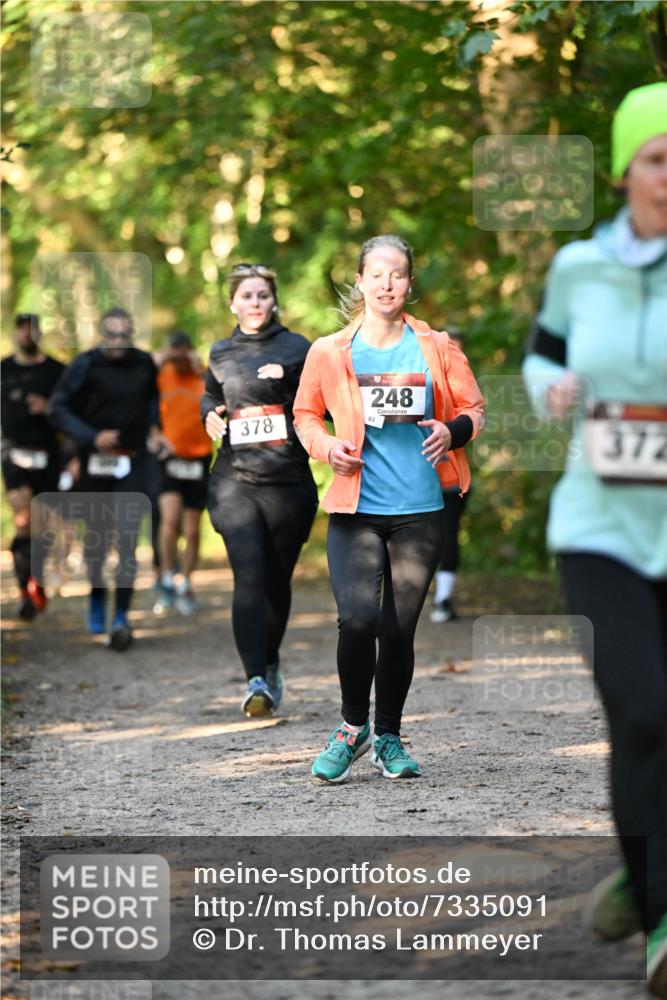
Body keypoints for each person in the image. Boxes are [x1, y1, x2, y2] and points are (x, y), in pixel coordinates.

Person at [522, 83, 667, 997]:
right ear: (623, 170)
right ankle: (660, 921)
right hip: (599, 529)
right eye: (657, 159)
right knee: (643, 713)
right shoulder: (578, 267)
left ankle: (642, 861)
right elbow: (542, 350)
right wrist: (549, 389)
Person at [293, 234, 484, 783]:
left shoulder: (436, 347)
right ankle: (352, 728)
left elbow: (474, 409)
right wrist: (327, 447)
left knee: (398, 630)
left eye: (397, 274)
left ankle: (388, 737)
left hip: (420, 509)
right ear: (360, 281)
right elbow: (305, 415)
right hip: (355, 509)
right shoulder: (330, 351)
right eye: (376, 274)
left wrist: (451, 432)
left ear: (409, 283)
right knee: (357, 620)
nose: (386, 284)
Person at [201, 264, 317, 716]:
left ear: (274, 301)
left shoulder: (298, 348)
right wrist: (208, 414)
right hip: (235, 481)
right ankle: (255, 680)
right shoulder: (221, 352)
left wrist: (285, 378)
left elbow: (323, 403)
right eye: (246, 296)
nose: (254, 303)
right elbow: (211, 397)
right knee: (249, 574)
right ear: (233, 303)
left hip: (287, 482)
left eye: (262, 295)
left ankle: (269, 662)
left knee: (276, 580)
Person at [49, 308, 164, 651]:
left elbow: (156, 400)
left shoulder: (143, 363)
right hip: (94, 462)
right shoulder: (85, 364)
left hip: (133, 462)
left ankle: (122, 616)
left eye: (124, 335)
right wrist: (91, 436)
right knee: (97, 539)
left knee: (127, 538)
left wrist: (155, 429)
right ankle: (97, 595)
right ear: (102, 334)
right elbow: (57, 408)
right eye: (112, 335)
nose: (118, 341)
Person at [1, 314, 64, 619]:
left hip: (49, 456)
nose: (27, 335)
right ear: (16, 333)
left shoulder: (57, 371)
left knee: (43, 526)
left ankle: (37, 576)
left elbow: (71, 412)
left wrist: (49, 408)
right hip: (14, 454)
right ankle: (24, 591)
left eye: (32, 329)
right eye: (22, 329)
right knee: (23, 520)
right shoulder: (4, 370)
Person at [153, 330, 211, 615]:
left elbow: (221, 393)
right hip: (170, 458)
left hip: (198, 458)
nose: (177, 362)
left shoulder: (203, 375)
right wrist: (163, 357)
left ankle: (185, 582)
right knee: (169, 522)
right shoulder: (161, 374)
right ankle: (165, 577)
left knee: (191, 529)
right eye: (172, 356)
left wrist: (199, 367)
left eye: (181, 356)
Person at [430, 327, 470, 623]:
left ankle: (442, 599)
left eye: (458, 348)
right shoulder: (419, 374)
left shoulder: (465, 387)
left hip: (451, 478)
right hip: (413, 477)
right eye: (448, 348)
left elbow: (473, 422)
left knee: (447, 536)